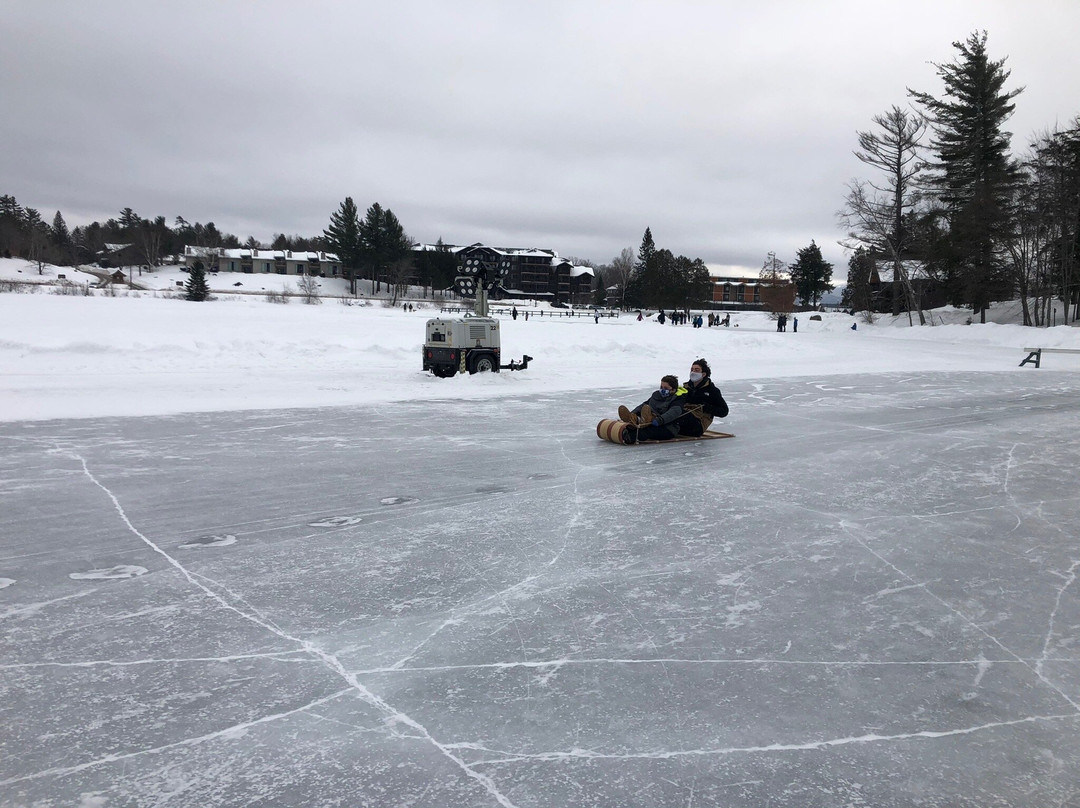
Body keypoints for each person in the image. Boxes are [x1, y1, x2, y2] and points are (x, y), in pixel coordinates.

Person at [671, 358, 728, 438]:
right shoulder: (686, 388)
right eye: (692, 369)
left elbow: (724, 411)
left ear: (703, 374)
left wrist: (706, 407)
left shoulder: (712, 390)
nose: (693, 372)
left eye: (696, 370)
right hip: (684, 417)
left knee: (675, 415)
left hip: (698, 425)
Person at [618, 375, 684, 443]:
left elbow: (673, 412)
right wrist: (633, 413)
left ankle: (629, 436)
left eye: (665, 388)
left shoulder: (677, 399)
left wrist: (659, 420)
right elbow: (645, 405)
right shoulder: (657, 395)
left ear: (673, 390)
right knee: (643, 416)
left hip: (667, 427)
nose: (662, 389)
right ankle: (633, 420)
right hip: (651, 421)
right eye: (661, 387)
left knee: (647, 431)